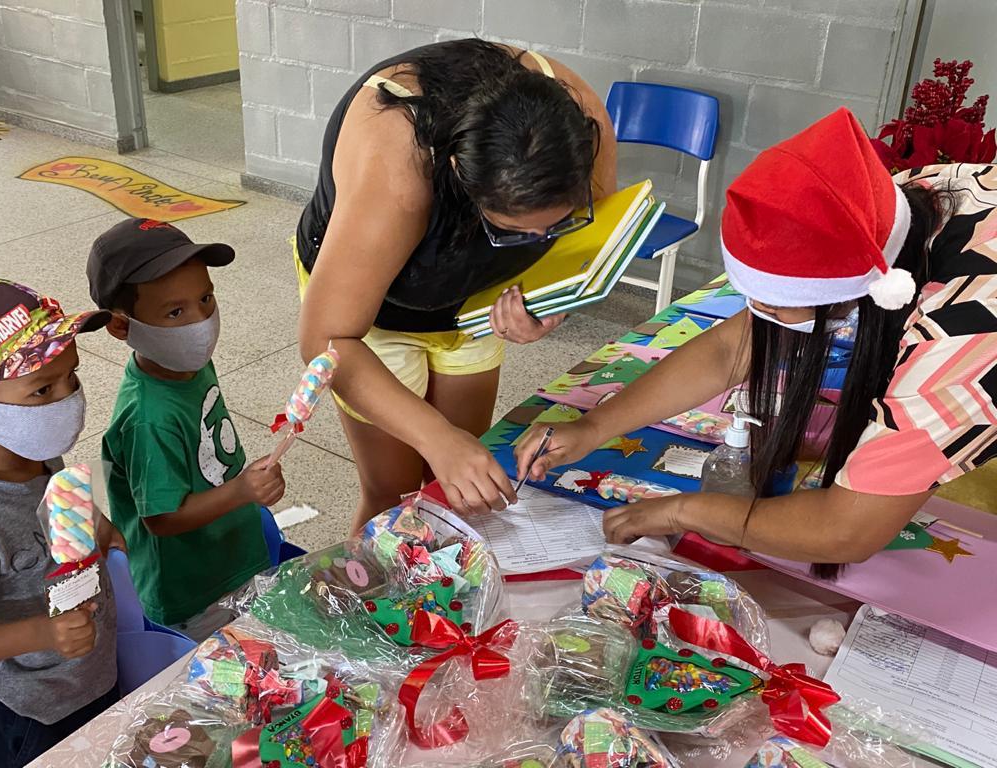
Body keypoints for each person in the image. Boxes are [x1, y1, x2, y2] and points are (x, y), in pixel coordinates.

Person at [517, 108, 997, 576]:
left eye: (773, 303)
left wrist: (684, 511)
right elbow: (732, 347)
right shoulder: (914, 201)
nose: (757, 315)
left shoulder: (958, 338)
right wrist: (593, 427)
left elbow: (847, 529)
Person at [294, 39, 618, 527]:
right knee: (395, 492)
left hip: (471, 304)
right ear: (460, 178)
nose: (537, 241)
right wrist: (436, 437)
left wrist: (550, 305)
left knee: (453, 485)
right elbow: (325, 340)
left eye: (554, 224)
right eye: (511, 230)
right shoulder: (398, 170)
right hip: (369, 311)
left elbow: (584, 252)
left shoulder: (584, 125)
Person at [87, 219, 285, 641]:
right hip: (193, 595)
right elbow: (161, 517)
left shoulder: (185, 363)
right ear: (121, 326)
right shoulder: (147, 417)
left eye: (206, 298)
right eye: (176, 312)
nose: (201, 321)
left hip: (232, 553)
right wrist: (243, 491)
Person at [0, 279, 121, 768]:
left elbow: (62, 522)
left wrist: (100, 530)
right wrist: (43, 634)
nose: (70, 400)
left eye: (72, 378)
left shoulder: (36, 454)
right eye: (44, 390)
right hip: (34, 716)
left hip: (95, 676)